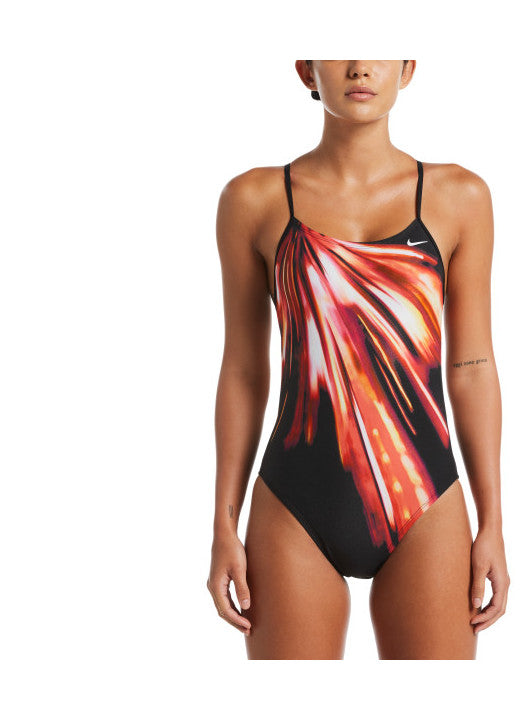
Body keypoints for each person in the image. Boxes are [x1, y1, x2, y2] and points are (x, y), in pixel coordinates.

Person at [207, 60, 508, 660]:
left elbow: (472, 367)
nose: (360, 66)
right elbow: (243, 370)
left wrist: (493, 520)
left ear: (408, 68)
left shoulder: (460, 197)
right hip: (295, 503)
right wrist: (223, 520)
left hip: (426, 501)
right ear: (306, 69)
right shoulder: (254, 199)